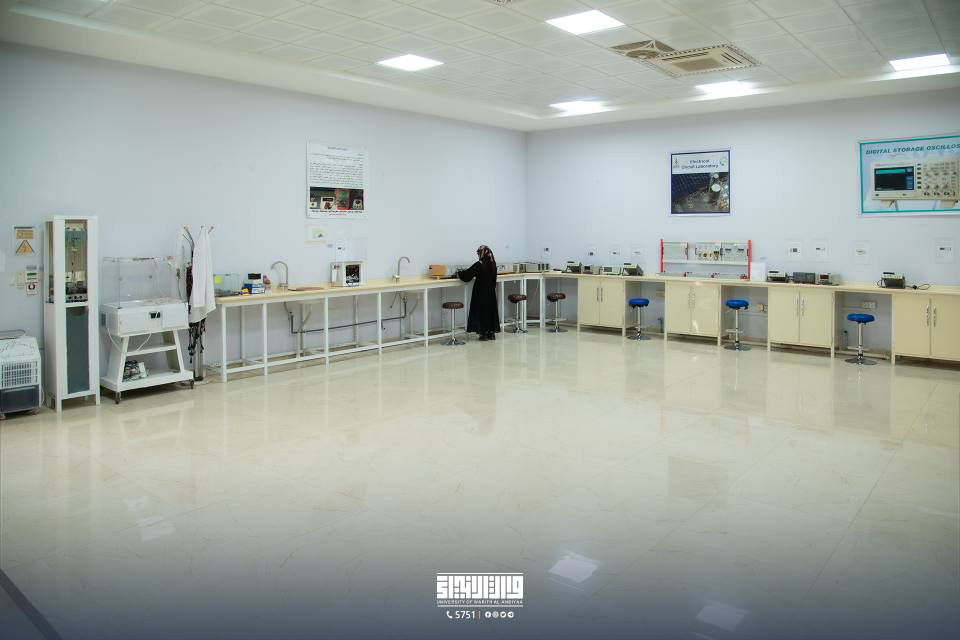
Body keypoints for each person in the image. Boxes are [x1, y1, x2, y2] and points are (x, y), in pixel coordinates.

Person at [458, 245, 501, 341]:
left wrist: (458, 273)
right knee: (490, 311)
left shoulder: (479, 264)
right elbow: (494, 279)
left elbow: (467, 276)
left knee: (481, 312)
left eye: (478, 253)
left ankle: (483, 334)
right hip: (491, 292)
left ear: (481, 254)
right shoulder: (493, 264)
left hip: (480, 292)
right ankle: (491, 333)